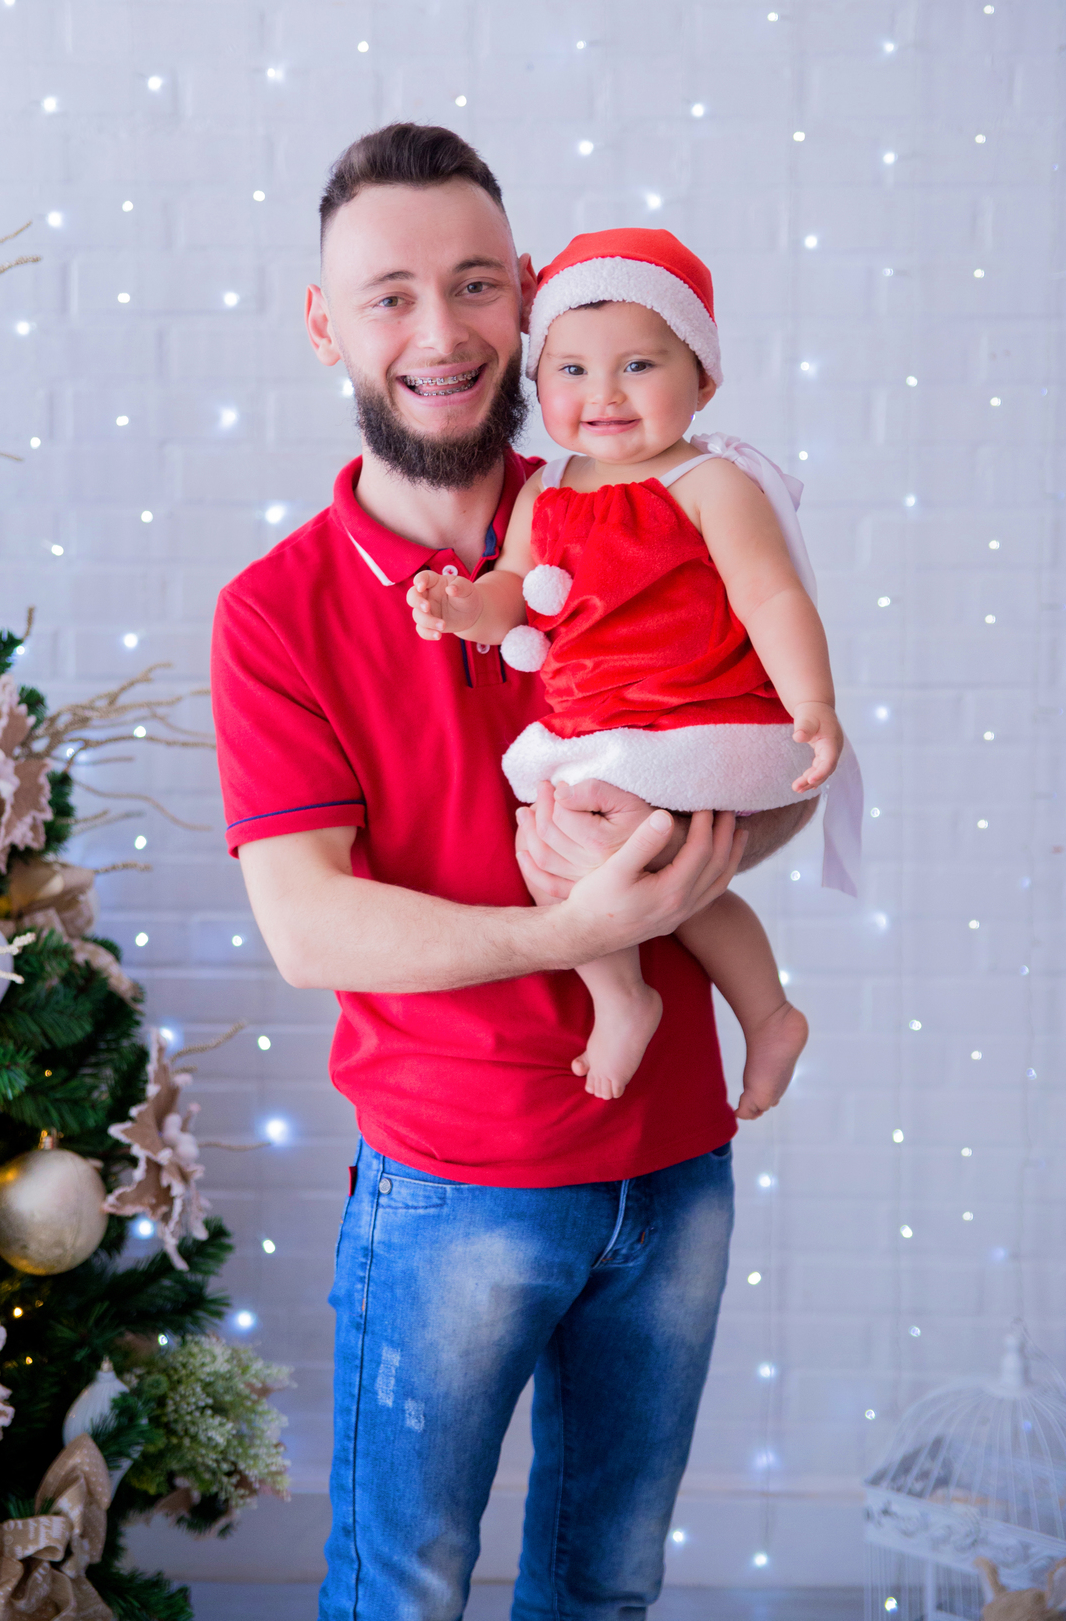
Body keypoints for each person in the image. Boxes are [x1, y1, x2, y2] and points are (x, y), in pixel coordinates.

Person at [211, 124, 780, 1620]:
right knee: (406, 1592)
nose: (442, 332)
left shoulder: (644, 502)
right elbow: (304, 922)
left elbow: (775, 759)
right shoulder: (274, 612)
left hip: (677, 1169)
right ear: (325, 325)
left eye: (474, 284)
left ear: (529, 297)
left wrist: (685, 853)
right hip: (454, 1185)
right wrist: (584, 929)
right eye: (389, 295)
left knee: (608, 1587)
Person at [407, 227, 855, 1103]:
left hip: (698, 722)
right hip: (600, 736)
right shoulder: (549, 491)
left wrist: (815, 702)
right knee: (553, 855)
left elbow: (772, 598)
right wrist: (468, 609)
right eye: (571, 370)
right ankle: (640, 996)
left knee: (611, 854)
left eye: (639, 367)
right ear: (537, 382)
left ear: (705, 381)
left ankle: (743, 1010)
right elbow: (513, 590)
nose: (603, 394)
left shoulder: (711, 484)